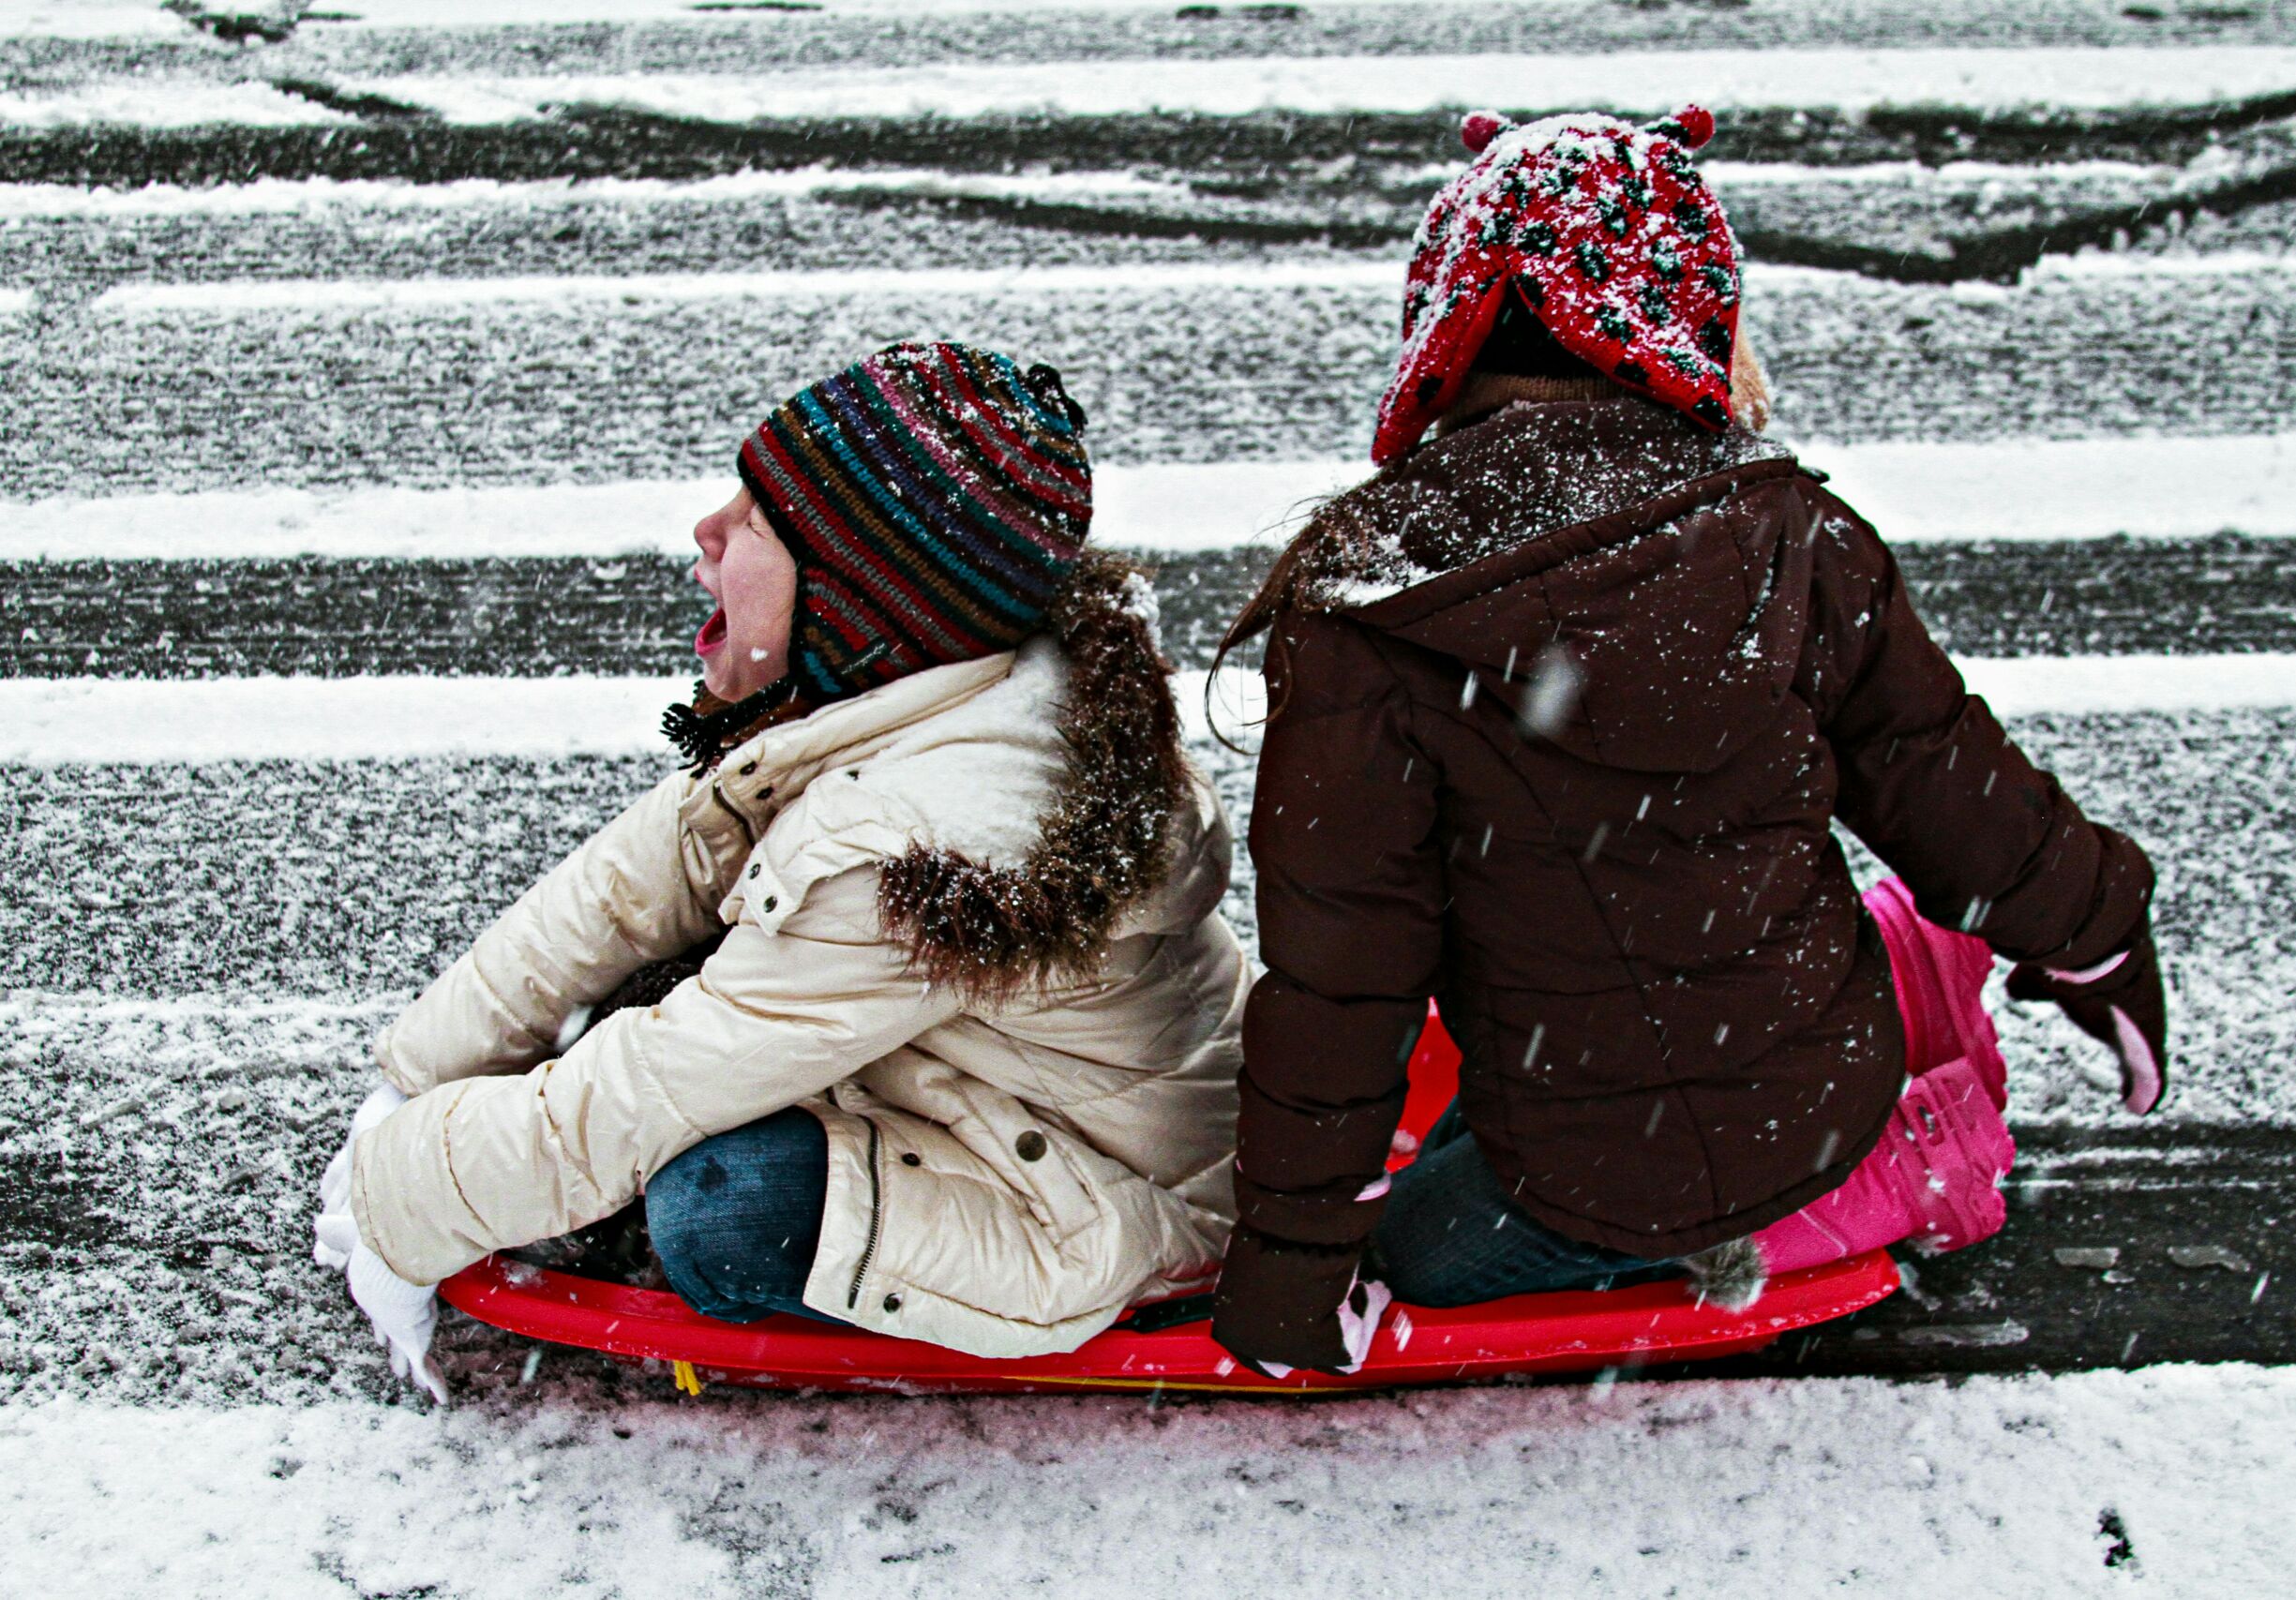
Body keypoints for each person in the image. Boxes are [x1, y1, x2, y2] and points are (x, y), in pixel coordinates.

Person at [1207, 107, 2169, 1376]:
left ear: (1447, 314)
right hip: (1817, 1071)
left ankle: (1860, 1186)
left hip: (1613, 1159)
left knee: (1420, 1253)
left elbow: (1345, 976)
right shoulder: (1791, 531)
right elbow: (1951, 785)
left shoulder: (1374, 607)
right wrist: (2098, 939)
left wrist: (1297, 1257)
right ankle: (1866, 1068)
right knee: (1521, 1101)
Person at [311, 342, 1247, 1398]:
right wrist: (414, 1079)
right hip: (1030, 1090)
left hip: (1099, 1194)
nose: (706, 533)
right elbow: (636, 877)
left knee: (719, 1207)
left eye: (754, 523)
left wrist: (400, 1202)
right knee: (655, 986)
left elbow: (665, 1074)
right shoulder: (921, 688)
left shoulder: (913, 839)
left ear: (856, 601)